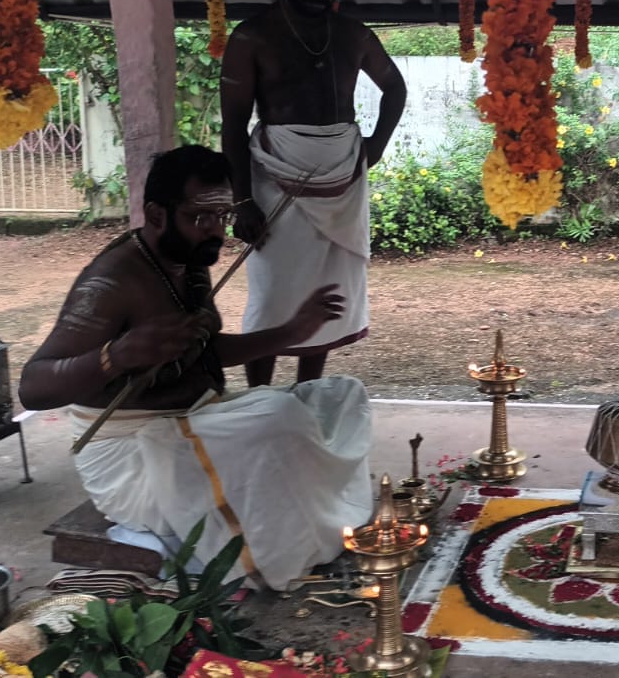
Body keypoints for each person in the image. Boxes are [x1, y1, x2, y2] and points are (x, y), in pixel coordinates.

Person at [20, 145, 378, 590]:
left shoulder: (189, 262)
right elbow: (32, 388)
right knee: (276, 418)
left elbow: (205, 352)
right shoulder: (111, 283)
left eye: (223, 216)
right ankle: (278, 543)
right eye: (200, 217)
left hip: (199, 421)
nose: (215, 231)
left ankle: (296, 518)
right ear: (155, 214)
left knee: (341, 397)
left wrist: (292, 330)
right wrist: (117, 355)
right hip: (136, 457)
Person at [220, 0, 408, 386]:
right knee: (273, 293)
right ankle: (260, 399)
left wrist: (375, 146)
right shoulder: (252, 35)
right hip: (273, 173)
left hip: (343, 172)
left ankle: (307, 395)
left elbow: (395, 88)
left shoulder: (353, 33)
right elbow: (232, 123)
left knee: (327, 293)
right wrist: (242, 199)